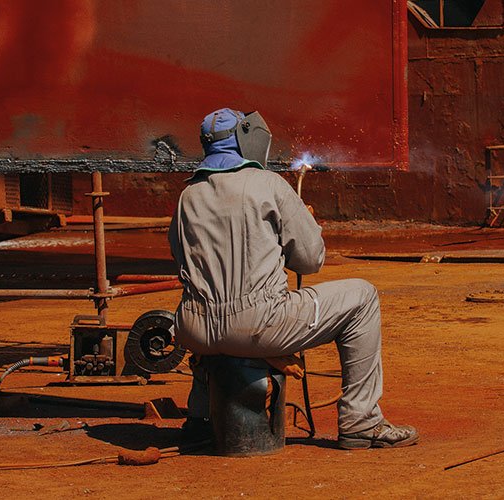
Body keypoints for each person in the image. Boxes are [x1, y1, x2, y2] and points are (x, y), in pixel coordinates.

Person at [168, 108, 418, 449]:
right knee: (363, 296)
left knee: (214, 313)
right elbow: (310, 261)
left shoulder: (188, 195)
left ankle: (200, 418)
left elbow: (183, 259)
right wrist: (301, 226)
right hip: (259, 325)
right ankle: (361, 421)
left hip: (194, 329)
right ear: (245, 138)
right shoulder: (269, 184)